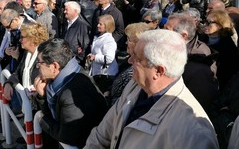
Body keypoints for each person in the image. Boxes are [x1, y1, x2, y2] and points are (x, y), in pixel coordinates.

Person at [83, 29, 219, 149]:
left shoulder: (193, 132)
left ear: (158, 71)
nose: (129, 61)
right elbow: (102, 134)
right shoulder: (135, 87)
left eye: (136, 57)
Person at [34, 38, 108, 148]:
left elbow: (67, 137)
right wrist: (42, 96)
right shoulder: (72, 72)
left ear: (54, 66)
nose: (37, 67)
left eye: (39, 63)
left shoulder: (72, 93)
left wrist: (41, 119)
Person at [164, 13, 219, 113]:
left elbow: (197, 107)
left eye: (167, 30)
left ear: (183, 36)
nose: (162, 33)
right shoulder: (174, 51)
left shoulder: (198, 66)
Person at [3, 22, 49, 112]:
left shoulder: (45, 57)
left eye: (22, 37)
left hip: (40, 109)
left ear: (33, 40)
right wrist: (8, 83)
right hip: (28, 107)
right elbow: (18, 72)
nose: (20, 40)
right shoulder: (27, 53)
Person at [108, 22, 151, 106]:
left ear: (138, 43)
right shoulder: (128, 60)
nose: (126, 43)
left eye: (128, 39)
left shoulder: (136, 70)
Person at [202, 10, 239, 91]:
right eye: (205, 21)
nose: (205, 25)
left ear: (220, 25)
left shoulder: (228, 47)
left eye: (209, 22)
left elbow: (227, 73)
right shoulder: (201, 40)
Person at [87, 14, 118, 93]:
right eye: (98, 23)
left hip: (105, 75)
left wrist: (95, 57)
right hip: (98, 73)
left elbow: (109, 58)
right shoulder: (99, 37)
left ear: (107, 26)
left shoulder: (109, 40)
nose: (98, 25)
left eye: (100, 24)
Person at [62, 1, 91, 67]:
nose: (64, 12)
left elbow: (85, 46)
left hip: (74, 64)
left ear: (75, 11)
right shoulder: (66, 23)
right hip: (65, 61)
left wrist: (77, 61)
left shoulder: (82, 26)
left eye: (66, 10)